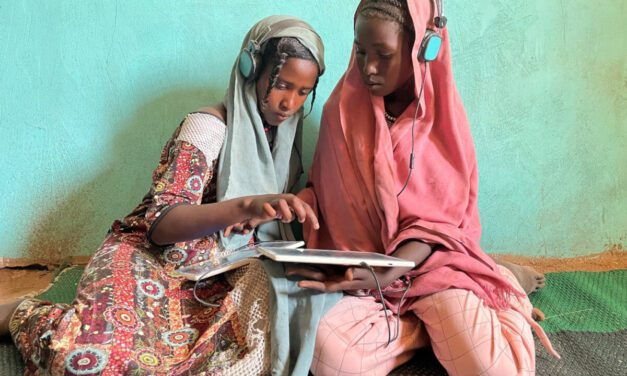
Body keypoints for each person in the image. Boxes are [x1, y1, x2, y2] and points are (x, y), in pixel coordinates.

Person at [0, 15, 324, 375]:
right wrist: (244, 206)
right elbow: (162, 224)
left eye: (302, 92)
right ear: (251, 69)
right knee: (93, 362)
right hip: (150, 257)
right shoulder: (208, 128)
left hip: (221, 273)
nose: (289, 103)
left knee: (240, 356)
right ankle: (23, 314)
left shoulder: (287, 151)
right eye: (281, 85)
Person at [291, 1, 559, 375]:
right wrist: (302, 205)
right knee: (327, 358)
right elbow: (327, 195)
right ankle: (419, 330)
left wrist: (388, 272)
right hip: (367, 275)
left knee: (497, 370)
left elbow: (441, 226)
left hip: (435, 266)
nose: (368, 67)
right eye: (360, 50)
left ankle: (505, 284)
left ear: (424, 49)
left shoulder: (442, 119)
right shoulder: (340, 110)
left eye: (383, 55)